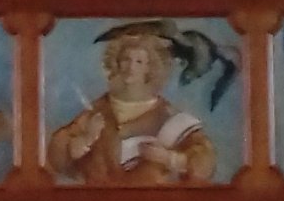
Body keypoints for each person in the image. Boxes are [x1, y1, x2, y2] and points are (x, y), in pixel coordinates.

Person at [48, 24, 218, 183]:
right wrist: (84, 140)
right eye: (125, 59)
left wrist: (169, 158)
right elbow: (58, 155)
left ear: (150, 68)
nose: (130, 67)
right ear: (116, 63)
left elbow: (205, 163)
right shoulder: (98, 110)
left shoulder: (170, 117)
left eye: (139, 62)